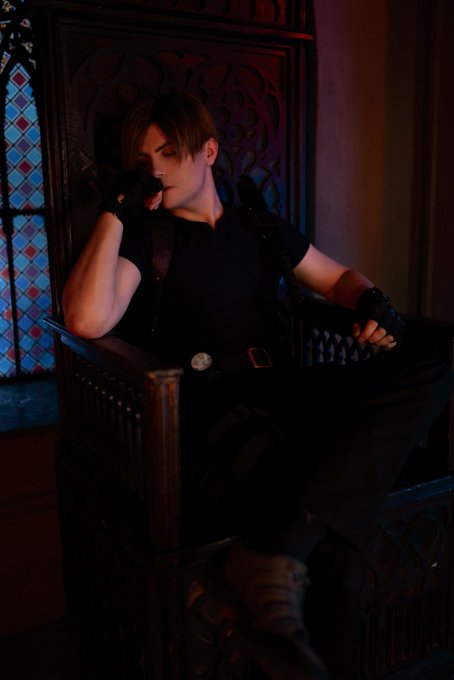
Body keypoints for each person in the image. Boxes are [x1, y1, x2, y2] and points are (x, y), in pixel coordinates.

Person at [62, 91, 454, 680]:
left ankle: (275, 548)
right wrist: (116, 210)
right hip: (215, 402)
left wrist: (372, 299)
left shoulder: (259, 227)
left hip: (289, 389)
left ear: (208, 151)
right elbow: (86, 318)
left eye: (169, 152)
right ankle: (288, 563)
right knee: (338, 550)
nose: (157, 170)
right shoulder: (148, 237)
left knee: (430, 370)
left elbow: (336, 278)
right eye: (144, 162)